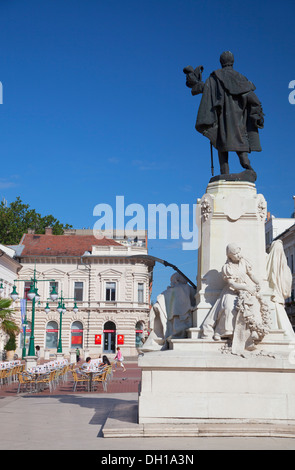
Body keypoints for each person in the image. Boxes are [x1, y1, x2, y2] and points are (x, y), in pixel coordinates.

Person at [184, 51, 264, 177]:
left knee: (221, 145)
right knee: (241, 146)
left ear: (221, 62)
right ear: (233, 62)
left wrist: (194, 83)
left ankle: (224, 173)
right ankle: (248, 167)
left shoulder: (215, 78)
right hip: (239, 123)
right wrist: (257, 115)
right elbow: (254, 100)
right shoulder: (242, 79)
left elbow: (205, 89)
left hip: (222, 121)